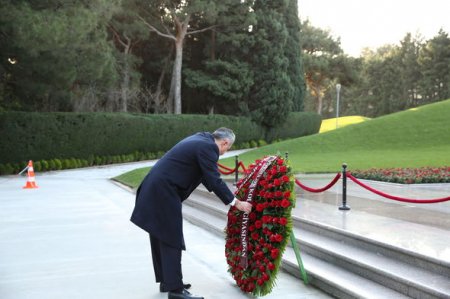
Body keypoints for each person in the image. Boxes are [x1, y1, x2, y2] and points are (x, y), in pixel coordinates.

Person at [130, 127, 252, 299]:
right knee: (172, 238)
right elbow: (214, 178)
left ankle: (168, 282)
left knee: (161, 236)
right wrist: (236, 203)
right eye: (227, 148)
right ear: (225, 142)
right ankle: (176, 291)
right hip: (163, 192)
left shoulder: (201, 139)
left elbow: (205, 175)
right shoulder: (208, 148)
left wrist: (226, 193)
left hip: (156, 188)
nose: (225, 152)